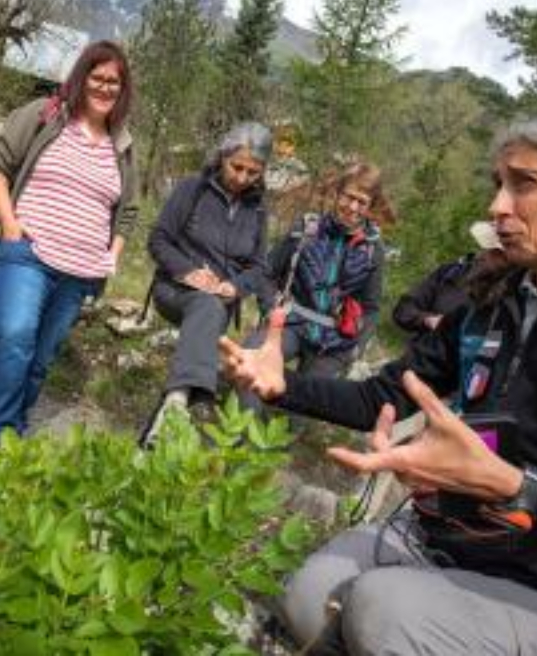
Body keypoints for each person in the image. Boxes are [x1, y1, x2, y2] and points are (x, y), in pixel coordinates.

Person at [222, 106, 537, 655]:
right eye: (499, 184)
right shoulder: (489, 308)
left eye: (525, 184)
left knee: (381, 612)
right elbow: (381, 397)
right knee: (309, 598)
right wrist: (281, 385)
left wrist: (518, 489)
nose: (497, 207)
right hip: (450, 543)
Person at [0, 40, 138, 439]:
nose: (104, 88)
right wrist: (11, 227)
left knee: (41, 357)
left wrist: (111, 257)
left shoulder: (123, 144)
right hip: (27, 253)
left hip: (79, 272)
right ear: (81, 77)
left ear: (122, 89)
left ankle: (16, 429)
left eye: (113, 82)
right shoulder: (46, 115)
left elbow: (129, 212)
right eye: (97, 77)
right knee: (15, 337)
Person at [141, 122, 276, 442]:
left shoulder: (257, 210)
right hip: (175, 290)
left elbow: (259, 267)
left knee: (208, 312)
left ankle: (172, 409)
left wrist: (237, 287)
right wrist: (189, 272)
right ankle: (198, 399)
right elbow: (159, 240)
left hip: (221, 302)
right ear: (222, 157)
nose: (242, 178)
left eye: (253, 172)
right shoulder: (193, 189)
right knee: (205, 305)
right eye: (237, 167)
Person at [237, 161, 389, 415]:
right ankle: (238, 436)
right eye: (349, 197)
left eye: (361, 202)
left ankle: (274, 447)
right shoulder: (307, 229)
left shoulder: (373, 250)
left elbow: (371, 307)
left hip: (336, 342)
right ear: (337, 194)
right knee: (253, 359)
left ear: (370, 207)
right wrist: (270, 308)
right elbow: (267, 273)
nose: (352, 207)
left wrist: (356, 348)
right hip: (291, 323)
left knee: (305, 406)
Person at [390, 221, 504, 337]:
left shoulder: (512, 296)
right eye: (486, 246)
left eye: (495, 252)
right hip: (422, 351)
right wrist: (428, 320)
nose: (484, 254)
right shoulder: (450, 272)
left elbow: (496, 345)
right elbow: (403, 309)